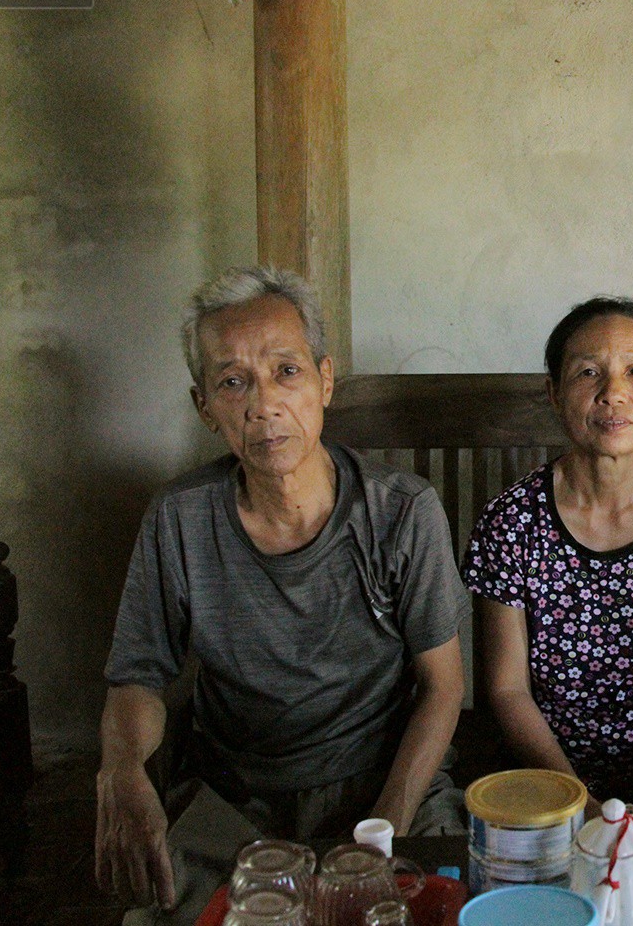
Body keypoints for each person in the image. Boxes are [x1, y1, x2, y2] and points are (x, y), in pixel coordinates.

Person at [96, 268, 468, 924]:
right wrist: (122, 768)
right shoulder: (180, 519)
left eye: (286, 372)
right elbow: (137, 677)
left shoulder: (401, 512)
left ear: (325, 381)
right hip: (234, 800)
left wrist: (381, 831)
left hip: (384, 784)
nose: (264, 404)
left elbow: (442, 688)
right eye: (233, 382)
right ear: (204, 407)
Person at [461, 296, 633, 827]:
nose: (613, 391)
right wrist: (583, 806)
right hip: (547, 771)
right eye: (588, 372)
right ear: (554, 392)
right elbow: (507, 690)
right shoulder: (510, 523)